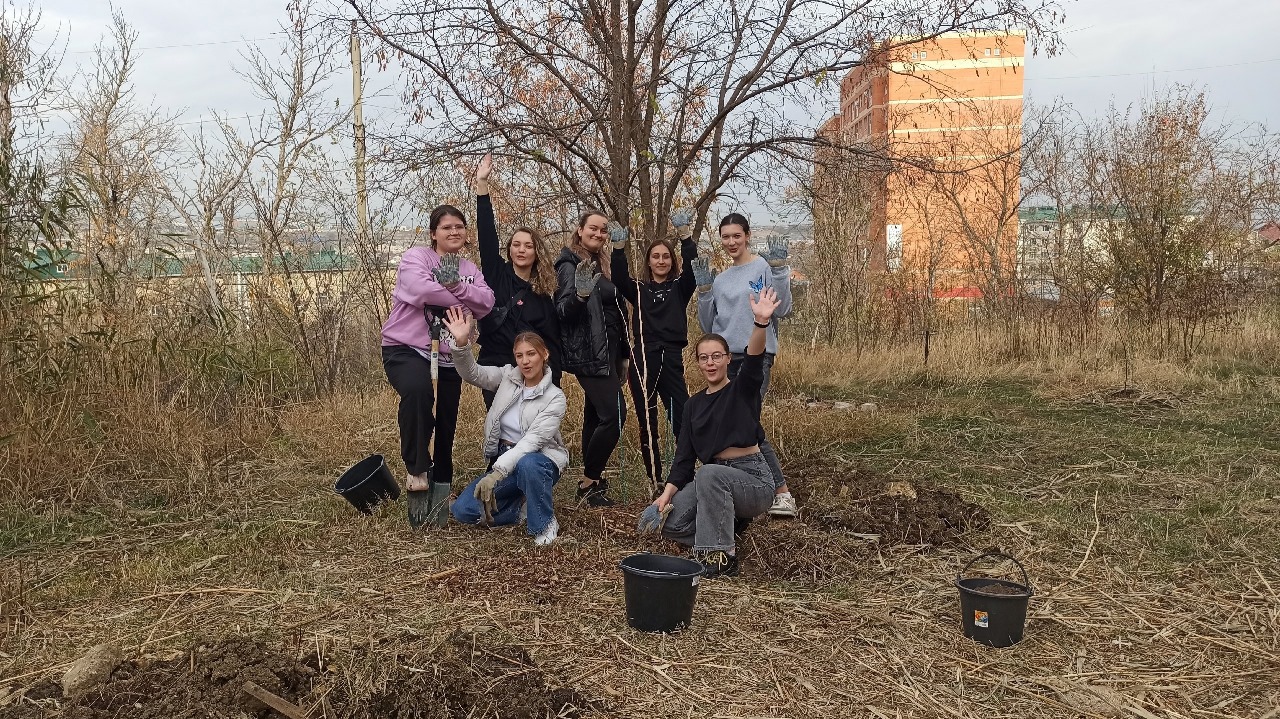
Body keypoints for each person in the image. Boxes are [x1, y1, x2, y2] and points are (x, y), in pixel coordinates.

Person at [639, 287, 784, 577]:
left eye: (716, 356)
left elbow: (754, 360)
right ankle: (725, 528)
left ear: (728, 358)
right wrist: (663, 498)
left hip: (753, 480)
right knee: (671, 524)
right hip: (714, 480)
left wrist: (761, 323)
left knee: (709, 473)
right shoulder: (692, 406)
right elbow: (683, 459)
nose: (711, 363)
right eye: (704, 358)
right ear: (698, 364)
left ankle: (720, 557)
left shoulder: (742, 390)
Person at [381, 205, 495, 526]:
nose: (454, 232)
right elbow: (420, 290)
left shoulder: (470, 267)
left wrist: (458, 287)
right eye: (446, 227)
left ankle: (442, 485)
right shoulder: (416, 258)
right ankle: (418, 467)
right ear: (434, 233)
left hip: (449, 355)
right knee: (418, 393)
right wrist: (463, 298)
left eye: (459, 227)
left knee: (447, 421)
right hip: (406, 347)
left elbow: (486, 302)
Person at [693, 213, 797, 518]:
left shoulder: (764, 267)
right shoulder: (722, 278)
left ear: (748, 235)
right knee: (739, 423)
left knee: (747, 421)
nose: (730, 242)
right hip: (726, 358)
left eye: (736, 235)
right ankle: (741, 487)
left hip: (756, 357)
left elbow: (785, 310)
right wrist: (704, 293)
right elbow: (709, 326)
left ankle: (781, 492)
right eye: (725, 237)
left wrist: (779, 271)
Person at [440, 308, 568, 546]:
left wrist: (497, 473)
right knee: (463, 510)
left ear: (544, 354)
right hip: (504, 458)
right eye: (519, 356)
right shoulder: (507, 377)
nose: (525, 361)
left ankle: (544, 521)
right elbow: (474, 374)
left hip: (539, 460)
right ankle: (520, 506)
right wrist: (461, 344)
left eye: (531, 354)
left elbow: (533, 442)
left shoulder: (555, 397)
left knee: (528, 463)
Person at [611, 209, 698, 493]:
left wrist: (685, 237)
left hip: (671, 357)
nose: (661, 261)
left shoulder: (679, 287)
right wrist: (619, 249)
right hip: (643, 358)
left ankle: (683, 476)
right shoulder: (638, 289)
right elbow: (619, 276)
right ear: (648, 261)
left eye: (666, 256)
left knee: (682, 417)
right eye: (655, 256)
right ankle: (654, 480)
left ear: (671, 261)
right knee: (647, 421)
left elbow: (694, 268)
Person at [472, 153, 562, 406]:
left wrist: (553, 382)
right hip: (496, 366)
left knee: (530, 433)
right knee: (502, 430)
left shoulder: (543, 291)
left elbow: (552, 341)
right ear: (509, 250)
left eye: (528, 246)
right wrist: (482, 186)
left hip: (532, 372)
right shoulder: (496, 275)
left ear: (536, 252)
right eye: (516, 245)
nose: (521, 250)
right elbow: (487, 235)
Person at [555, 210, 628, 507]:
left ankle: (592, 484)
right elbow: (562, 311)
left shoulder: (603, 263)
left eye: (602, 231)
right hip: (587, 351)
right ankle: (589, 480)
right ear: (580, 229)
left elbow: (617, 311)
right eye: (593, 229)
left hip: (609, 350)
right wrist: (580, 296)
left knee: (596, 415)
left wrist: (623, 355)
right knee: (615, 414)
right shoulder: (568, 263)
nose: (598, 235)